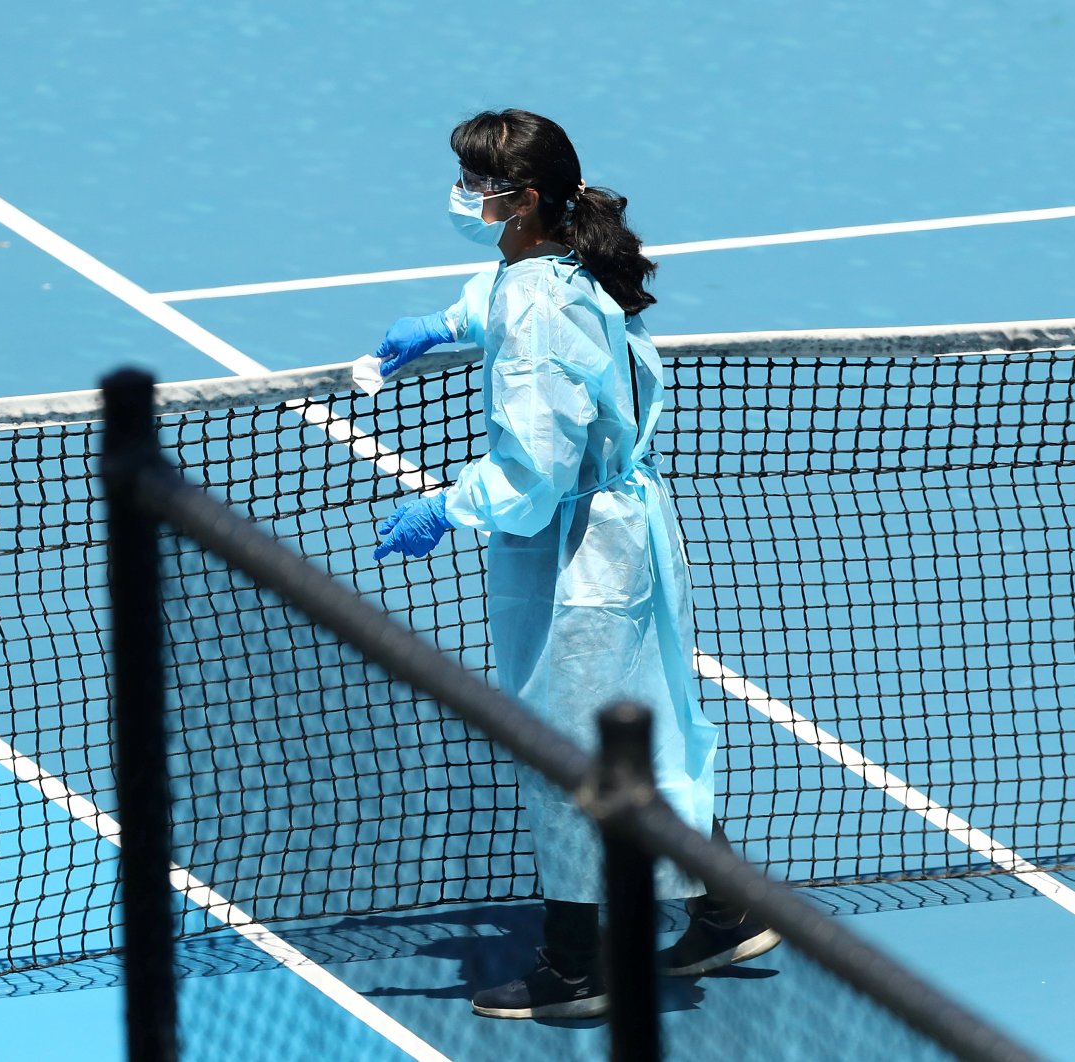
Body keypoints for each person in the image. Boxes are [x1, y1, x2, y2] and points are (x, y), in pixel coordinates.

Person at [371, 109, 777, 1020]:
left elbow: (533, 473)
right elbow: (518, 299)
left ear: (521, 201)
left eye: (477, 183)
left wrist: (445, 505)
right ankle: (725, 907)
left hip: (579, 561)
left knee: (570, 757)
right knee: (644, 733)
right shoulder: (557, 261)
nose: (463, 195)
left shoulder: (541, 307)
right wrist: (445, 322)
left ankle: (577, 963)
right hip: (619, 538)